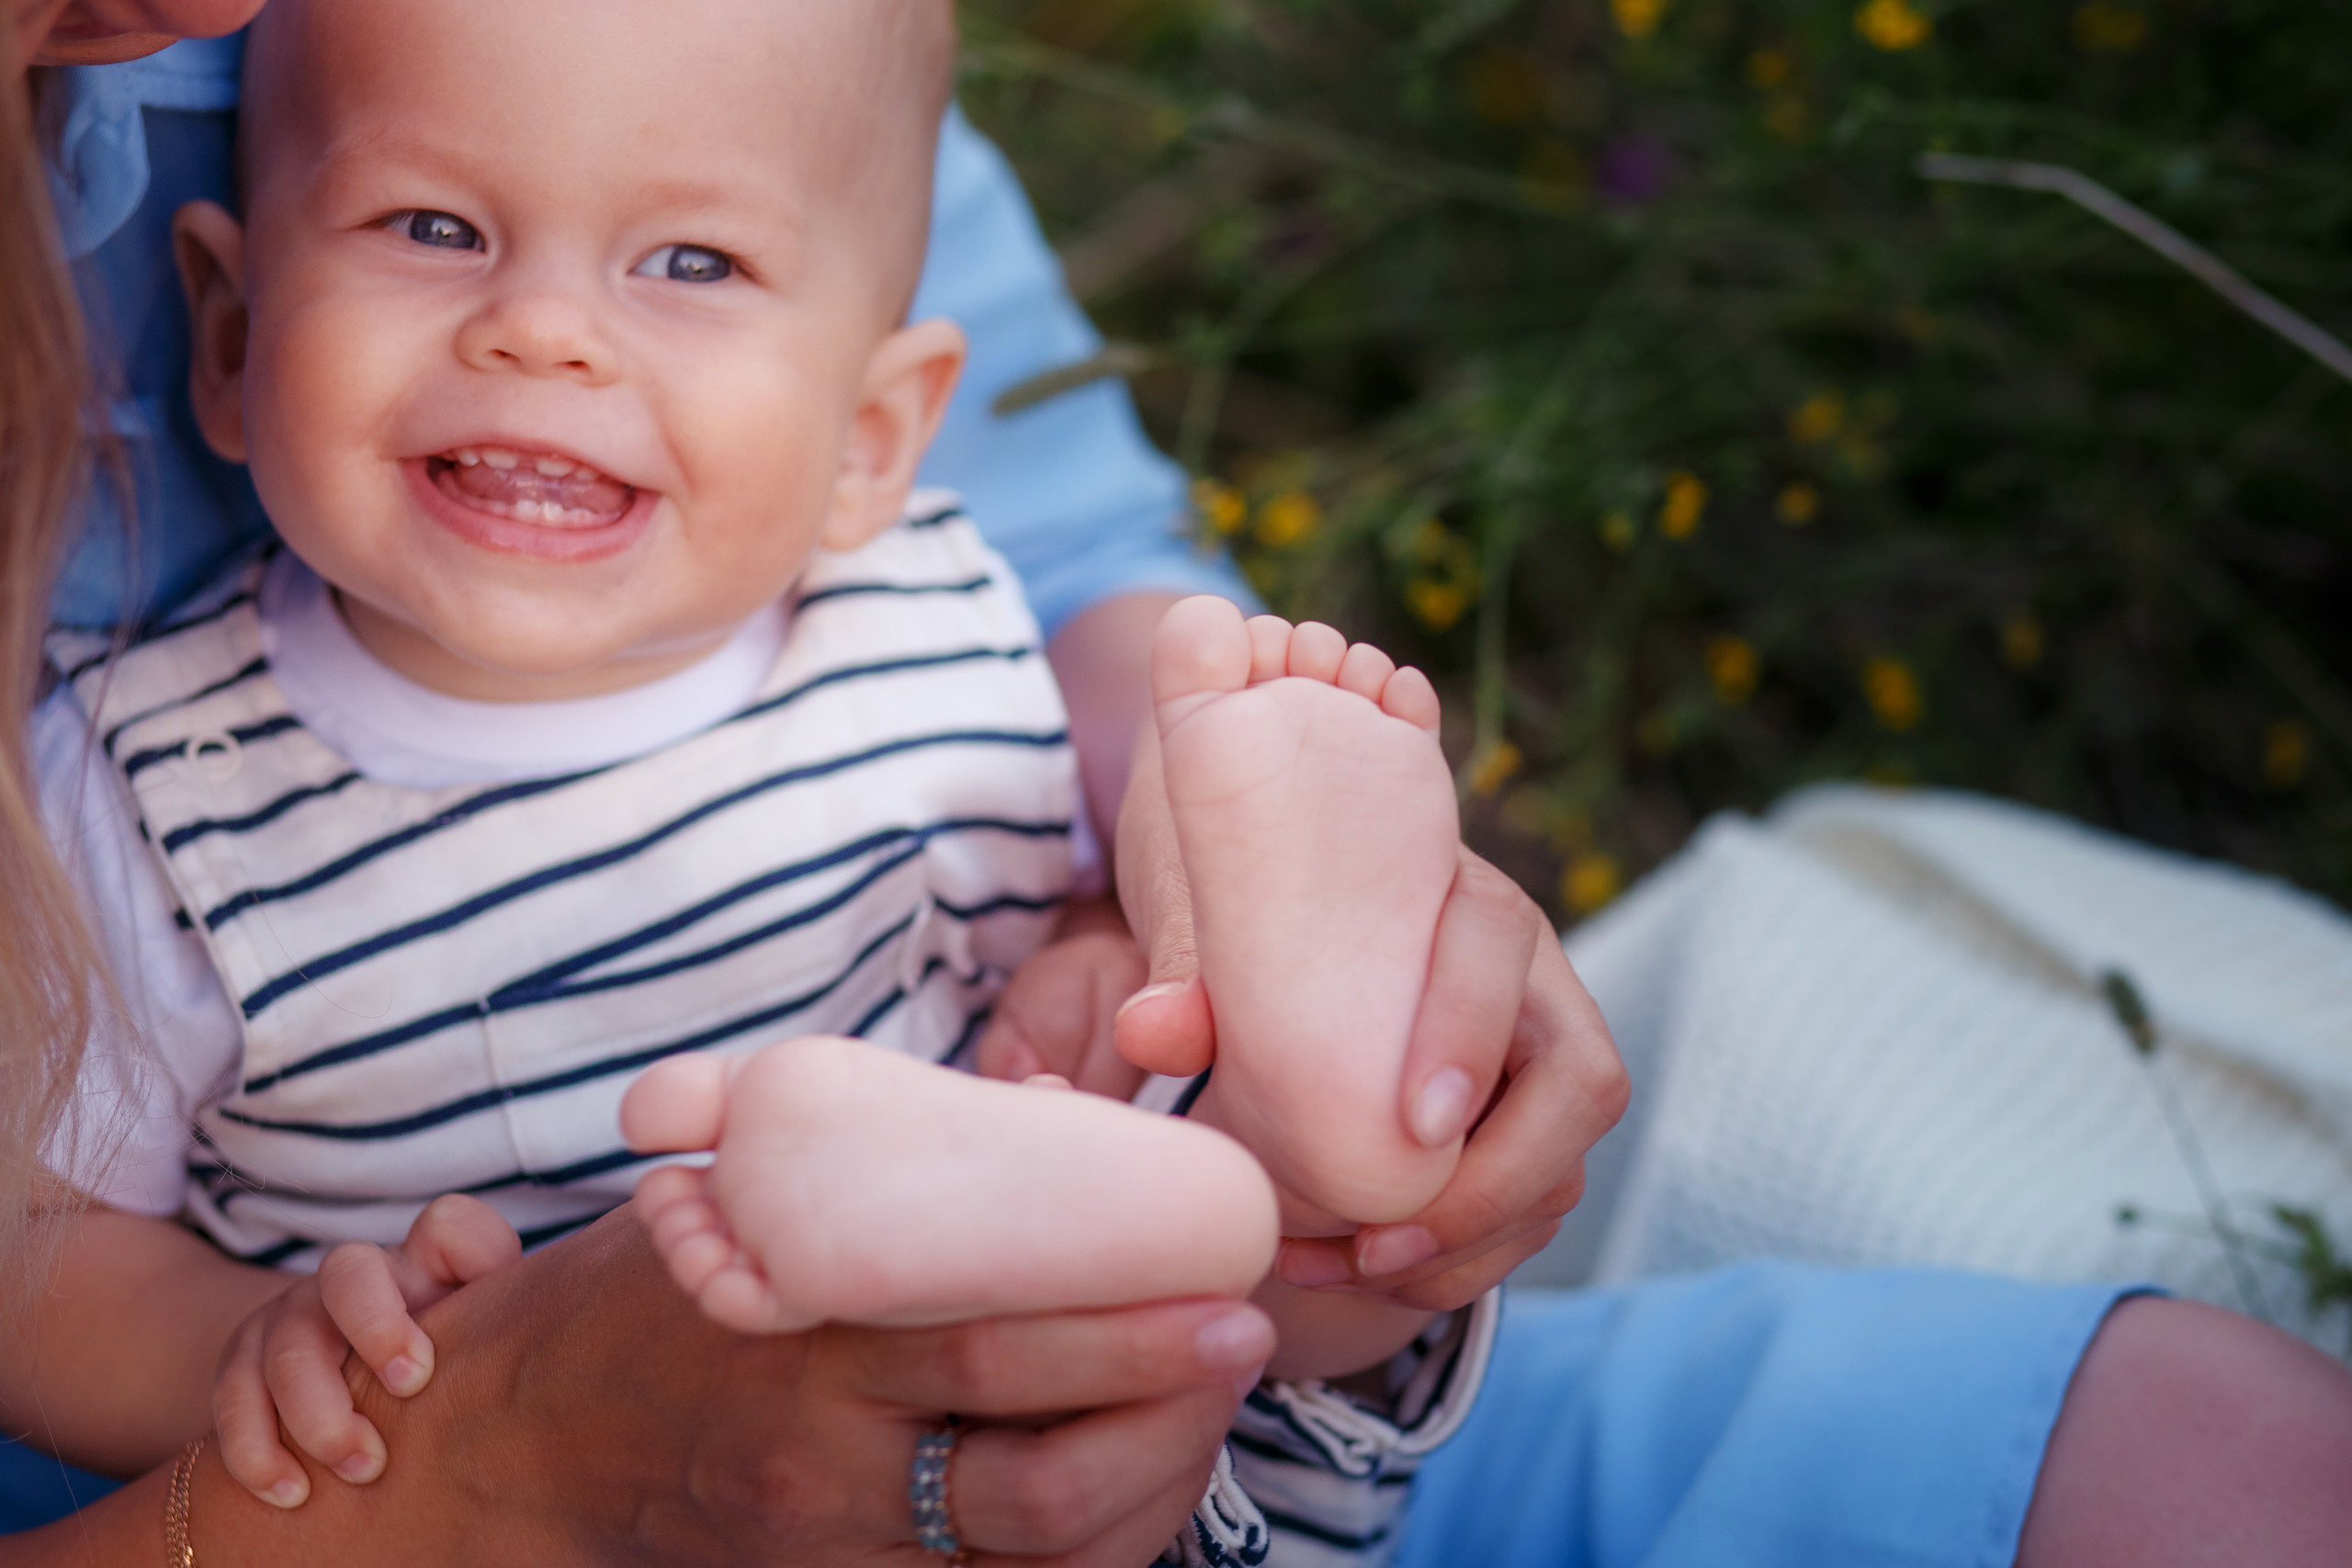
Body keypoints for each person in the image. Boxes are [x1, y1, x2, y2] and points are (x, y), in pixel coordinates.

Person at [7, 6, 2347, 1568]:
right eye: (432, 231)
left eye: (689, 265)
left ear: (870, 439)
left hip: (1183, 1463)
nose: (545, 327)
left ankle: (1315, 1167)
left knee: (2225, 1443)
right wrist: (282, 1379)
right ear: (223, 327)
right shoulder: (151, 792)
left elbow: (1090, 605)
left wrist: (1174, 941)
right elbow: (34, 1251)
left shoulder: (936, 619)